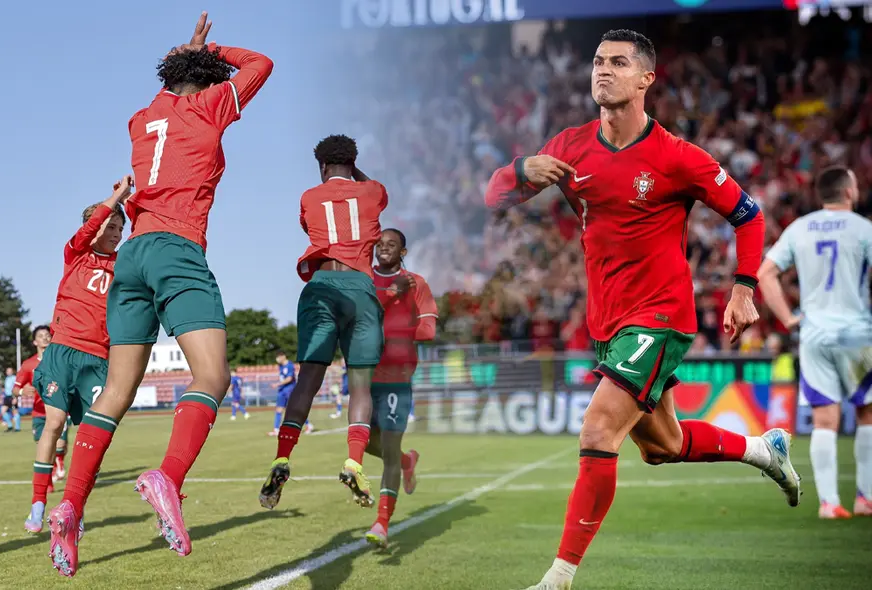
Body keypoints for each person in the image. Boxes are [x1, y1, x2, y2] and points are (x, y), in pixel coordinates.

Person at [482, 30, 800, 590]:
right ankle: (761, 448)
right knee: (663, 447)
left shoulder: (678, 157)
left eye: (619, 63)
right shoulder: (570, 145)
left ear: (646, 79)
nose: (603, 71)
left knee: (598, 428)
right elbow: (494, 198)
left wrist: (744, 288)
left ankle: (558, 578)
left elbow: (748, 216)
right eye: (599, 62)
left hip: (661, 316)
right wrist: (518, 171)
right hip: (607, 322)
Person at [47, 12, 272, 577]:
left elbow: (168, 95)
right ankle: (168, 476)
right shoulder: (211, 105)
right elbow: (261, 65)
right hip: (176, 250)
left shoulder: (141, 118)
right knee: (213, 378)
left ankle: (71, 506)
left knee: (115, 393)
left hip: (132, 259)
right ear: (209, 80)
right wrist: (214, 49)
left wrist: (189, 56)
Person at [258, 134, 387, 511]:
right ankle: (354, 462)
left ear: (321, 166)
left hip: (320, 288)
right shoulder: (374, 190)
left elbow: (311, 226)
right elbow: (367, 188)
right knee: (360, 383)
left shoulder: (309, 197)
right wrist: (350, 168)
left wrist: (331, 174)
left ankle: (282, 456)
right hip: (360, 287)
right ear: (354, 160)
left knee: (308, 380)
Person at [759, 165, 872, 519]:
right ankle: (865, 498)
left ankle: (828, 503)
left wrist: (788, 317)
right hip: (856, 331)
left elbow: (766, 273)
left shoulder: (800, 228)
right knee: (867, 414)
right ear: (850, 192)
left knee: (825, 421)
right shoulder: (863, 229)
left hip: (814, 332)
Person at [25, 178, 130, 534]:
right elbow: (89, 227)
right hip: (63, 352)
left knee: (91, 437)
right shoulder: (76, 254)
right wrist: (116, 196)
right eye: (110, 226)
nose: (116, 233)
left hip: (99, 361)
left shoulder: (124, 266)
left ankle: (74, 505)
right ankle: (39, 504)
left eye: (119, 228)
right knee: (53, 424)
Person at [364, 228, 436, 548]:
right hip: (364, 375)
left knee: (390, 447)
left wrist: (389, 331)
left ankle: (382, 522)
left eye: (391, 245)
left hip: (397, 375)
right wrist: (390, 295)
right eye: (379, 245)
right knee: (364, 442)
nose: (384, 250)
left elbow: (428, 329)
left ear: (402, 252)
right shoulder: (364, 280)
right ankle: (407, 461)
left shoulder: (417, 283)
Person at [15, 326, 63, 492]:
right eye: (41, 336)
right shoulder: (28, 365)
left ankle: (58, 466)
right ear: (35, 341)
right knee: (44, 446)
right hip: (39, 413)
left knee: (59, 444)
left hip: (59, 410)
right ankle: (49, 476)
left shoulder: (60, 361)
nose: (45, 338)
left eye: (47, 335)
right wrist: (22, 391)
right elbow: (14, 389)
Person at [269, 352, 312, 435]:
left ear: (283, 356)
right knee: (279, 409)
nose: (277, 359)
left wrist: (277, 384)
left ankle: (308, 425)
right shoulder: (280, 366)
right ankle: (276, 429)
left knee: (295, 410)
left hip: (290, 390)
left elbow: (289, 378)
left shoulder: (289, 365)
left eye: (278, 357)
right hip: (282, 391)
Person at [1, 366, 21, 433]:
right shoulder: (6, 378)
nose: (8, 372)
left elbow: (17, 388)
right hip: (7, 397)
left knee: (15, 412)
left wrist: (16, 398)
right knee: (3, 410)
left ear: (12, 372)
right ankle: (10, 426)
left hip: (12, 396)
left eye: (9, 371)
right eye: (7, 371)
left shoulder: (14, 378)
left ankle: (17, 428)